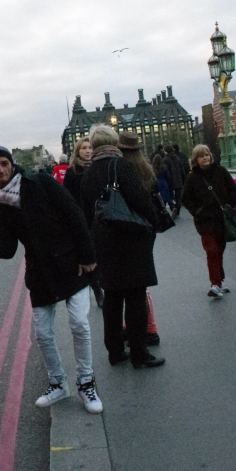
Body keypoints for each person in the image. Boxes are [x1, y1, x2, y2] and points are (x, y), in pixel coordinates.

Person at [0, 145, 103, 413]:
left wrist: (87, 255)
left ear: (12, 165)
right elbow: (7, 249)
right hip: (40, 271)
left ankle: (86, 383)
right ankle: (58, 383)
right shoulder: (0, 205)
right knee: (44, 335)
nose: (0, 169)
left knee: (80, 324)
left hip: (71, 263)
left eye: (4, 163)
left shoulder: (40, 182)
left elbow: (74, 214)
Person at [80, 125, 164, 370]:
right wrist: (154, 224)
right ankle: (139, 354)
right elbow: (140, 200)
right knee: (136, 297)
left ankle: (115, 351)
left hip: (103, 241)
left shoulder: (88, 173)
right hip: (129, 239)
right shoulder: (120, 166)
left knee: (113, 299)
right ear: (114, 143)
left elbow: (86, 212)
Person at [117, 132, 161, 347]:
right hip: (146, 231)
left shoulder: (122, 171)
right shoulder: (145, 169)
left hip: (129, 230)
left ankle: (143, 328)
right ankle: (145, 327)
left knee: (130, 287)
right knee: (139, 286)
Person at [181, 145, 236, 298]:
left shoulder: (221, 172)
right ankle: (215, 284)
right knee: (211, 251)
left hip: (221, 219)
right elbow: (185, 198)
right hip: (204, 221)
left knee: (219, 250)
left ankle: (220, 279)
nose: (205, 158)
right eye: (201, 156)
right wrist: (197, 211)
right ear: (195, 160)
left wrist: (229, 205)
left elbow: (233, 189)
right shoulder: (192, 177)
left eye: (207, 155)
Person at [64, 138, 104, 308]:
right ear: (78, 151)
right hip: (82, 220)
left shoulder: (98, 169)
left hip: (99, 217)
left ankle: (102, 285)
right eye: (84, 148)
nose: (88, 151)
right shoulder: (72, 172)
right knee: (90, 255)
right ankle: (97, 289)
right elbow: (66, 198)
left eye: (90, 148)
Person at [163, 144, 185, 218]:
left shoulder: (165, 159)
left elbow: (165, 171)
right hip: (178, 180)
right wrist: (183, 179)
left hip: (170, 181)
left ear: (166, 151)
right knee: (178, 197)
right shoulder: (177, 158)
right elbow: (182, 170)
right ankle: (177, 210)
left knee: (169, 196)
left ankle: (173, 208)